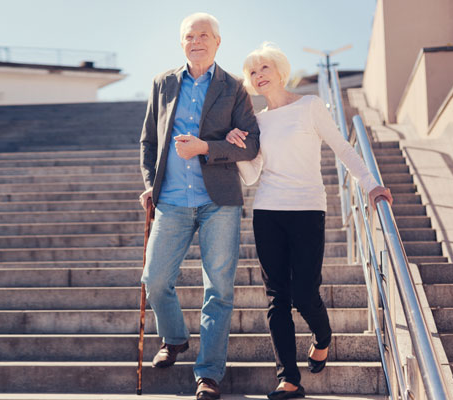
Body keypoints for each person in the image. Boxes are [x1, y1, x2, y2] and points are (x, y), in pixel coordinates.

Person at [225, 43, 393, 400]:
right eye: (253, 72)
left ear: (281, 70)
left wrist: (370, 184)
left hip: (307, 209)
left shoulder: (309, 106)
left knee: (304, 292)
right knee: (277, 298)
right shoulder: (254, 121)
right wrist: (239, 149)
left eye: (265, 67)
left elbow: (343, 148)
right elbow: (253, 176)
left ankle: (323, 335)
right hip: (267, 212)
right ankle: (288, 378)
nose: (259, 75)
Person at [139, 12, 260, 400]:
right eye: (190, 36)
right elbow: (148, 143)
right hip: (171, 201)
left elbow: (252, 143)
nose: (197, 41)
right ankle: (174, 338)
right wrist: (149, 186)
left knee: (219, 289)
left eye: (204, 35)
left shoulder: (234, 87)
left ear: (218, 42)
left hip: (218, 201)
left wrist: (208, 147)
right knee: (154, 281)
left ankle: (208, 374)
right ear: (182, 43)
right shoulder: (163, 83)